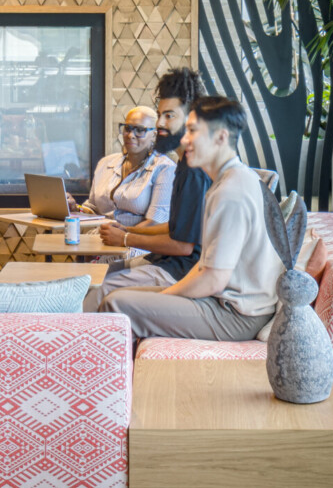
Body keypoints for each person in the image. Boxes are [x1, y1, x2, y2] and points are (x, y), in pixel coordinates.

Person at [98, 96, 284, 341]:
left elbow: (213, 279)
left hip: (235, 314)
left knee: (117, 304)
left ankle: (103, 377)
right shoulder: (229, 180)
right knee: (119, 294)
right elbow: (207, 266)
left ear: (221, 137)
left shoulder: (231, 191)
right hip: (222, 300)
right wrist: (161, 297)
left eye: (193, 132)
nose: (184, 140)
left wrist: (162, 299)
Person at [87, 68, 211, 307]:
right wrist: (126, 231)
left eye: (170, 116)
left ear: (192, 118)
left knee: (99, 289)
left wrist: (126, 239)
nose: (160, 123)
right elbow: (176, 227)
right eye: (159, 114)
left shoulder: (193, 169)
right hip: (164, 260)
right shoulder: (184, 163)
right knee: (96, 275)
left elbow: (184, 246)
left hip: (182, 271)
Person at [79, 106, 175, 228]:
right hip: (97, 238)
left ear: (154, 135)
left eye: (140, 130)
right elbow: (92, 209)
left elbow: (155, 222)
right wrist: (75, 208)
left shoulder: (164, 168)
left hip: (135, 243)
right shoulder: (105, 163)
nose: (131, 135)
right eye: (127, 128)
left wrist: (123, 236)